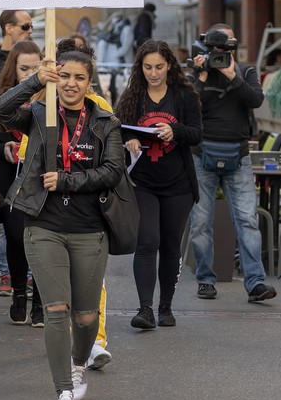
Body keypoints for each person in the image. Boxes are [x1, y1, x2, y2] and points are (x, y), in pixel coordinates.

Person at [0, 42, 124, 400]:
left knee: (84, 318)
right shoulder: (39, 112)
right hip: (43, 225)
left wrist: (67, 180)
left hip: (89, 229)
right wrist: (34, 80)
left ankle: (79, 363)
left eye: (78, 78)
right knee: (55, 310)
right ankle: (63, 392)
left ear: (89, 83)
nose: (70, 84)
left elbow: (113, 170)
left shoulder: (104, 120)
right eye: (64, 75)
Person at [116, 40, 202, 329]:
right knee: (147, 241)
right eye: (147, 67)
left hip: (178, 185)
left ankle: (166, 307)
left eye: (159, 67)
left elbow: (197, 134)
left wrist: (174, 130)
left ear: (170, 66)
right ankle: (145, 310)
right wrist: (128, 139)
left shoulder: (184, 96)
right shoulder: (132, 96)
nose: (153, 73)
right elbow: (115, 131)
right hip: (143, 183)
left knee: (169, 246)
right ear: (140, 68)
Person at [188, 24, 277, 303]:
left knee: (248, 220)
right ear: (206, 47)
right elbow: (189, 108)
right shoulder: (197, 72)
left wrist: (231, 75)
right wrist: (201, 76)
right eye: (215, 47)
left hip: (238, 155)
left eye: (225, 47)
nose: (220, 53)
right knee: (201, 222)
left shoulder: (246, 71)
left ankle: (255, 283)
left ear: (232, 47)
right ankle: (205, 279)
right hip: (202, 154)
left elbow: (255, 99)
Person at [0, 40, 45, 326]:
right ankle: (19, 293)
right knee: (15, 236)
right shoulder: (2, 94)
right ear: (14, 68)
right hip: (10, 174)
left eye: (36, 68)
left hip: (39, 176)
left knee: (40, 237)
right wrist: (4, 147)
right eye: (24, 68)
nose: (30, 74)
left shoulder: (50, 95)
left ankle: (39, 302)